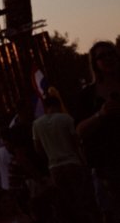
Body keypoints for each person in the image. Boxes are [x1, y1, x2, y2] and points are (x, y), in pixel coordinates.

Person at [32, 90, 98, 221]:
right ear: (58, 105)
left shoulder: (37, 124)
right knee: (80, 198)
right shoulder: (66, 118)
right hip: (72, 162)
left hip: (54, 166)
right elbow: (76, 142)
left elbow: (38, 148)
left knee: (64, 200)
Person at [75, 40, 120, 223]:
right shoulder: (87, 96)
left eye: (111, 53)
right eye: (102, 56)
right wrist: (100, 115)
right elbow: (79, 131)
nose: (108, 58)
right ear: (95, 63)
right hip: (108, 166)